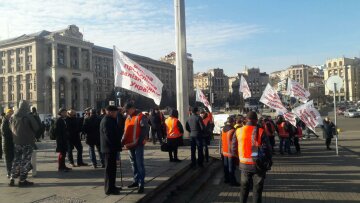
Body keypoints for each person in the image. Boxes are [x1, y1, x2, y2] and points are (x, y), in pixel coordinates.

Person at [232, 111, 272, 203]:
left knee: (244, 188)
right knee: (257, 190)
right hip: (258, 165)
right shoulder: (261, 131)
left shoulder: (238, 131)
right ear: (256, 120)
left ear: (246, 120)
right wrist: (269, 161)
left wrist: (239, 158)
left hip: (244, 165)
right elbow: (268, 149)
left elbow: (233, 148)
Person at [9, 100, 39, 186]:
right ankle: (22, 180)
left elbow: (10, 127)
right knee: (25, 161)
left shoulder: (13, 116)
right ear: (26, 106)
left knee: (16, 160)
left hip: (16, 141)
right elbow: (36, 127)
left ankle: (12, 178)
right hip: (27, 141)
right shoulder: (28, 116)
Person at [122, 103, 149, 194]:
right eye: (125, 111)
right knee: (133, 163)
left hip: (138, 145)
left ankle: (141, 184)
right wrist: (122, 142)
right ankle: (136, 180)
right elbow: (126, 131)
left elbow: (145, 129)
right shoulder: (128, 118)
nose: (126, 112)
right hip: (130, 145)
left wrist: (140, 141)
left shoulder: (141, 116)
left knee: (139, 164)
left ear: (133, 109)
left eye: (127, 110)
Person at [100, 105, 122, 195]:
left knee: (113, 169)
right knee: (109, 170)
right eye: (115, 112)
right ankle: (108, 189)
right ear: (110, 112)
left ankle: (112, 186)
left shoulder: (110, 120)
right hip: (109, 149)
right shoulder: (106, 121)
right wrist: (116, 145)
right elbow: (109, 136)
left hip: (111, 148)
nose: (116, 114)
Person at [221, 116, 239, 186]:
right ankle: (232, 182)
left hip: (224, 151)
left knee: (225, 166)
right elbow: (235, 142)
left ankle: (226, 179)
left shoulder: (223, 129)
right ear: (232, 122)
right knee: (231, 168)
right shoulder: (233, 130)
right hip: (231, 152)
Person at [1, 108, 14, 178]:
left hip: (9, 143)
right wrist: (12, 134)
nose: (11, 115)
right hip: (6, 143)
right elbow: (4, 132)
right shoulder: (4, 121)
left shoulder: (8, 121)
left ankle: (10, 172)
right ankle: (9, 172)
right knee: (7, 159)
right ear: (7, 113)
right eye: (10, 114)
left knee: (10, 158)